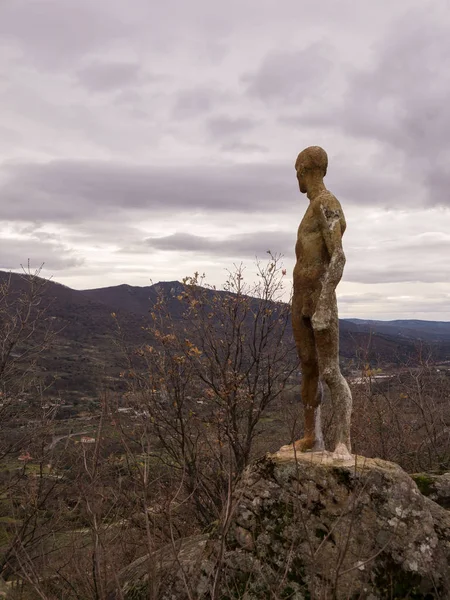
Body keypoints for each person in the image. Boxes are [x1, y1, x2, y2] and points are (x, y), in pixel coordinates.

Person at [292, 146, 352, 459]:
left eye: (297, 171)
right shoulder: (311, 207)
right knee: (308, 368)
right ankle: (310, 437)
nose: (296, 178)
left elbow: (338, 257)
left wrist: (326, 301)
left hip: (319, 296)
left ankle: (343, 441)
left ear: (304, 168)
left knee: (330, 371)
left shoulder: (327, 202)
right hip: (300, 296)